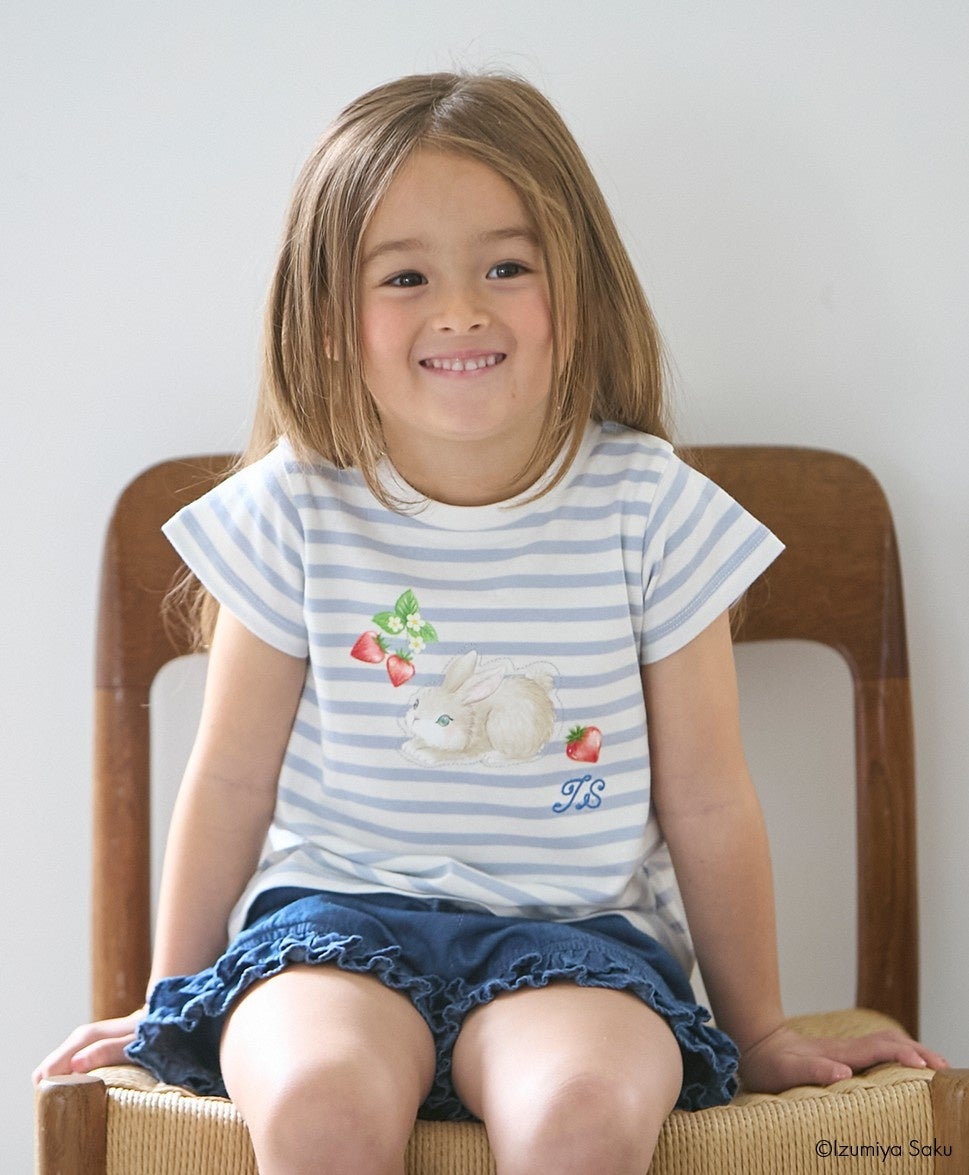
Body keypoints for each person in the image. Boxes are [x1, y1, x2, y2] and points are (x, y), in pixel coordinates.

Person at [34, 71, 946, 1175]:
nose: (461, 309)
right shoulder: (294, 508)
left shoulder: (651, 509)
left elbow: (708, 795)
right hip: (327, 931)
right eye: (404, 276)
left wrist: (759, 1031)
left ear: (581, 286)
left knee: (580, 1114)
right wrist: (170, 1000)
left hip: (582, 943)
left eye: (507, 267)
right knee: (320, 1102)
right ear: (328, 316)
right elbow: (227, 779)